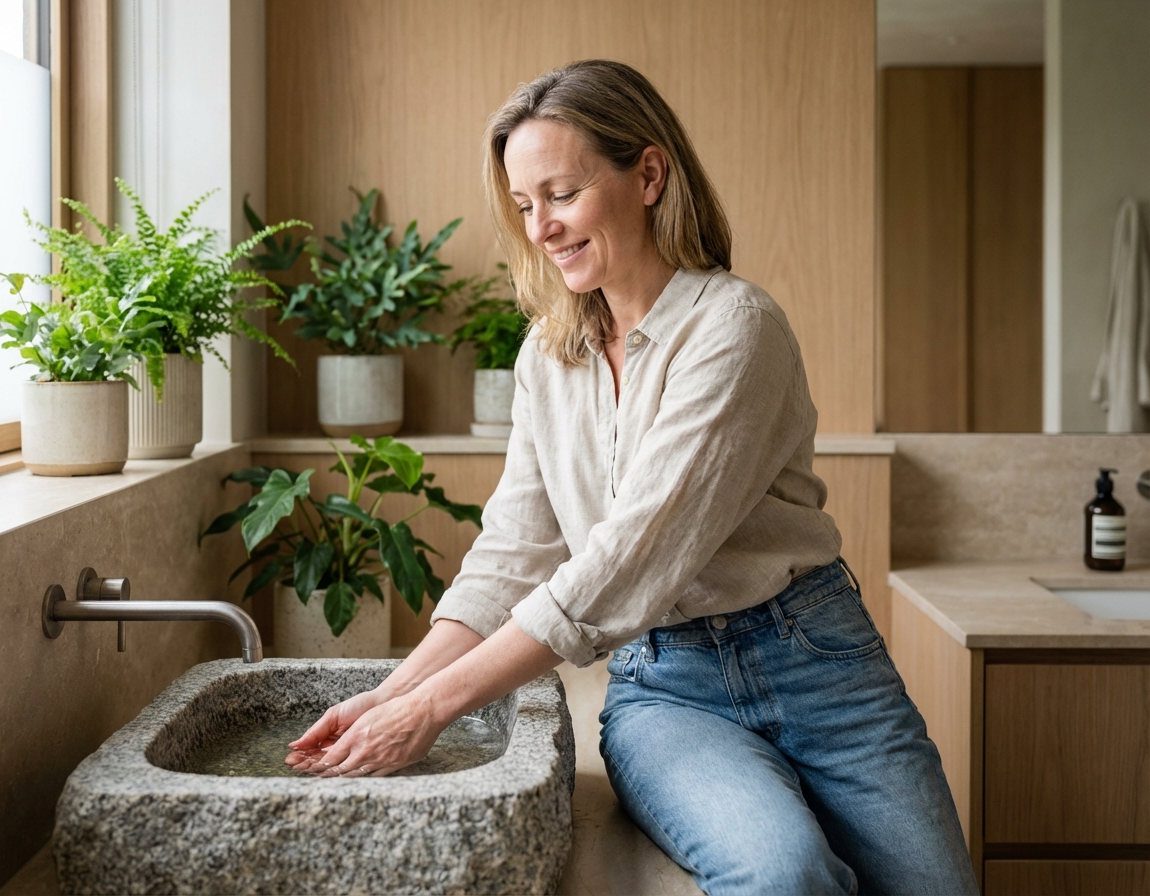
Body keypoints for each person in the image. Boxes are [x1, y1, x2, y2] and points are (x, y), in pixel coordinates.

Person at [286, 59, 978, 896]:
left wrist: (432, 710)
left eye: (563, 193)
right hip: (669, 692)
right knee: (784, 876)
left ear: (648, 174)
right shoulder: (547, 354)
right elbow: (511, 554)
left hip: (824, 668)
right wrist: (388, 694)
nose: (540, 226)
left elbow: (630, 558)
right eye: (523, 204)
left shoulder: (736, 328)